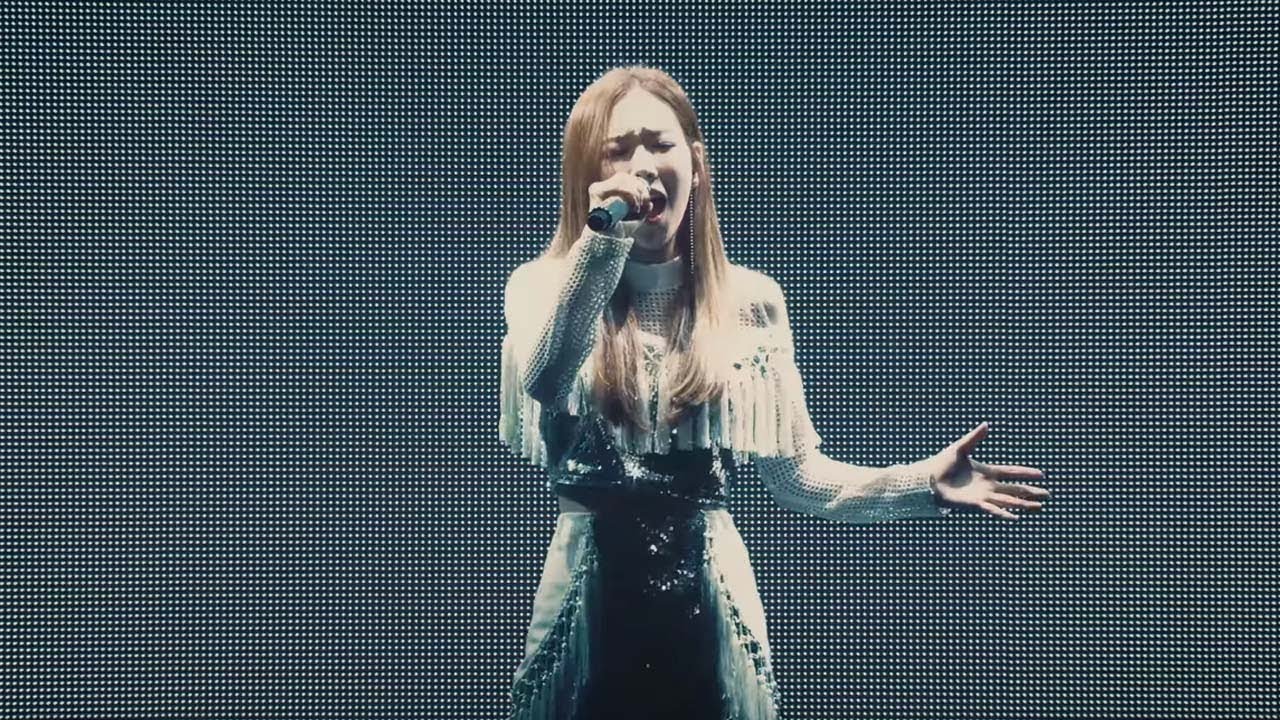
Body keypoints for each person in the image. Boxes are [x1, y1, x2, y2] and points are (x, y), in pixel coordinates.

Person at [499, 65, 1051, 720]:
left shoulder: (749, 301)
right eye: (617, 150)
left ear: (696, 164)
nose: (642, 166)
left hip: (709, 602)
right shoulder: (543, 286)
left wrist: (922, 484)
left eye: (660, 144)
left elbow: (797, 479)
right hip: (586, 601)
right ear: (586, 174)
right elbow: (547, 377)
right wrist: (603, 239)